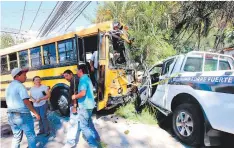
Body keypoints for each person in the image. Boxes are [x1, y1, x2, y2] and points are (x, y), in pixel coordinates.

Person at [5, 68, 40, 148]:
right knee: (31, 136)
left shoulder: (8, 87)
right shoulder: (20, 86)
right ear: (17, 76)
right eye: (24, 75)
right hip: (22, 115)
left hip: (11, 115)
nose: (26, 77)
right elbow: (26, 101)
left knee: (16, 137)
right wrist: (35, 113)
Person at [72, 64, 100, 148]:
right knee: (89, 123)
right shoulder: (87, 78)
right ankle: (96, 138)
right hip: (90, 105)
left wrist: (75, 96)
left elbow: (83, 93)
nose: (76, 72)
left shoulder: (83, 79)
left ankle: (94, 145)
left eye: (77, 70)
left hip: (84, 105)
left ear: (80, 71)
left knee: (83, 126)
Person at [62, 69, 80, 147]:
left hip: (75, 105)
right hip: (77, 105)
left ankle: (70, 143)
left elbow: (74, 93)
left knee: (73, 123)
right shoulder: (74, 79)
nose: (66, 78)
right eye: (64, 76)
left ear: (71, 74)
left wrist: (74, 106)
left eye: (67, 76)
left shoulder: (74, 81)